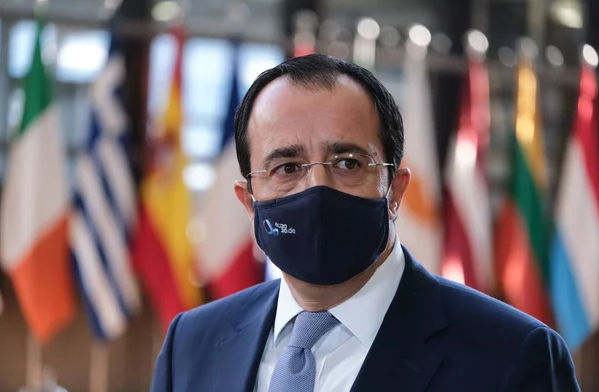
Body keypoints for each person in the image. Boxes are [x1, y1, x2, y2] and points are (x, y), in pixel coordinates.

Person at [150, 54, 580, 392]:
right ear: (249, 202)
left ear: (395, 191)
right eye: (287, 168)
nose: (317, 189)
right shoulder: (191, 344)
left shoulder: (512, 356)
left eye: (348, 162)